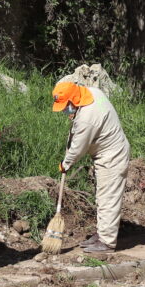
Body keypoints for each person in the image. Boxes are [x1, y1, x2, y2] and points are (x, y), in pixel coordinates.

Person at [53, 81, 130, 254]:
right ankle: (103, 233)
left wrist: (65, 164)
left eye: (67, 106)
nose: (65, 110)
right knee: (102, 196)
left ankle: (107, 242)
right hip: (109, 150)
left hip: (112, 157)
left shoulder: (87, 119)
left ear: (74, 100)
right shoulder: (95, 93)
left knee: (107, 198)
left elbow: (78, 149)